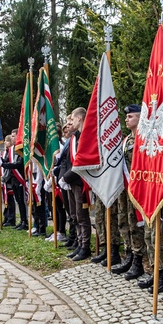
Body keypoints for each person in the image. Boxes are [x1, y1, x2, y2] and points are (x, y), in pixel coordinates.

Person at [113, 104, 146, 279]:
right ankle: (129, 253)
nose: (126, 119)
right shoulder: (126, 141)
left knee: (136, 223)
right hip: (125, 189)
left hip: (138, 189)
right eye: (126, 117)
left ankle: (138, 259)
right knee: (124, 220)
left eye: (131, 116)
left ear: (140, 118)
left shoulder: (143, 140)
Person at [62, 108, 92, 261]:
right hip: (72, 181)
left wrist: (66, 177)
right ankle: (80, 244)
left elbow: (81, 162)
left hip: (81, 182)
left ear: (79, 119)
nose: (70, 123)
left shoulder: (85, 137)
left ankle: (85, 246)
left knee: (81, 216)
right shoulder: (74, 138)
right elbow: (68, 161)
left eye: (72, 120)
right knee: (74, 215)